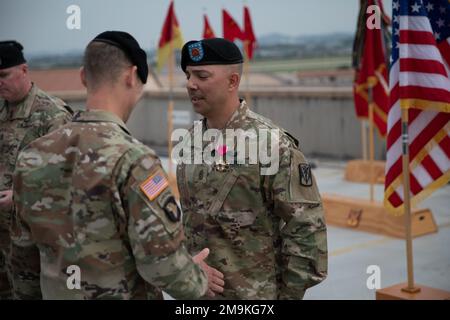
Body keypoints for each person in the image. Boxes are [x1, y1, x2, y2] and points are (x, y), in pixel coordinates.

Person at [11, 31, 224, 299]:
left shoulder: (32, 156)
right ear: (132, 77)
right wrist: (198, 279)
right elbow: (162, 264)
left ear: (83, 77)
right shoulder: (136, 161)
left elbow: (23, 261)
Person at [176, 38, 327, 299]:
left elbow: (306, 230)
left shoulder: (272, 144)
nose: (191, 84)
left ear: (232, 81)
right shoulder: (189, 141)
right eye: (189, 75)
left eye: (202, 75)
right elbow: (188, 221)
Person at [0, 40, 73, 299]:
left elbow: (69, 180)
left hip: (32, 243)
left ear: (24, 70)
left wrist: (20, 197)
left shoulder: (53, 115)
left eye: (3, 75)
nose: (0, 83)